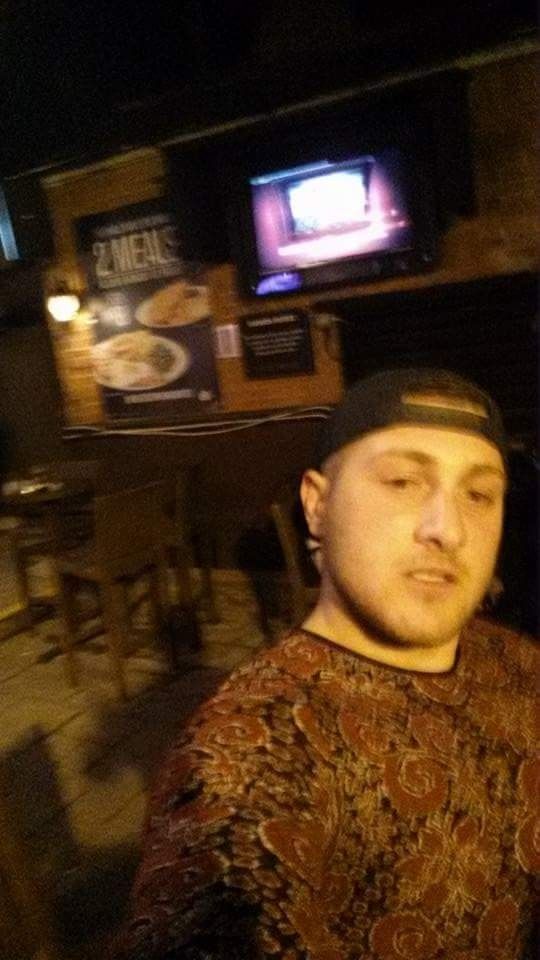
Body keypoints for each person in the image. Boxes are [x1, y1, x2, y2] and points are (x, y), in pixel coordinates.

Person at [113, 369, 537, 960]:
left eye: (479, 494)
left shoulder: (517, 661)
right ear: (317, 505)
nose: (449, 529)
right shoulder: (249, 760)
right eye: (402, 481)